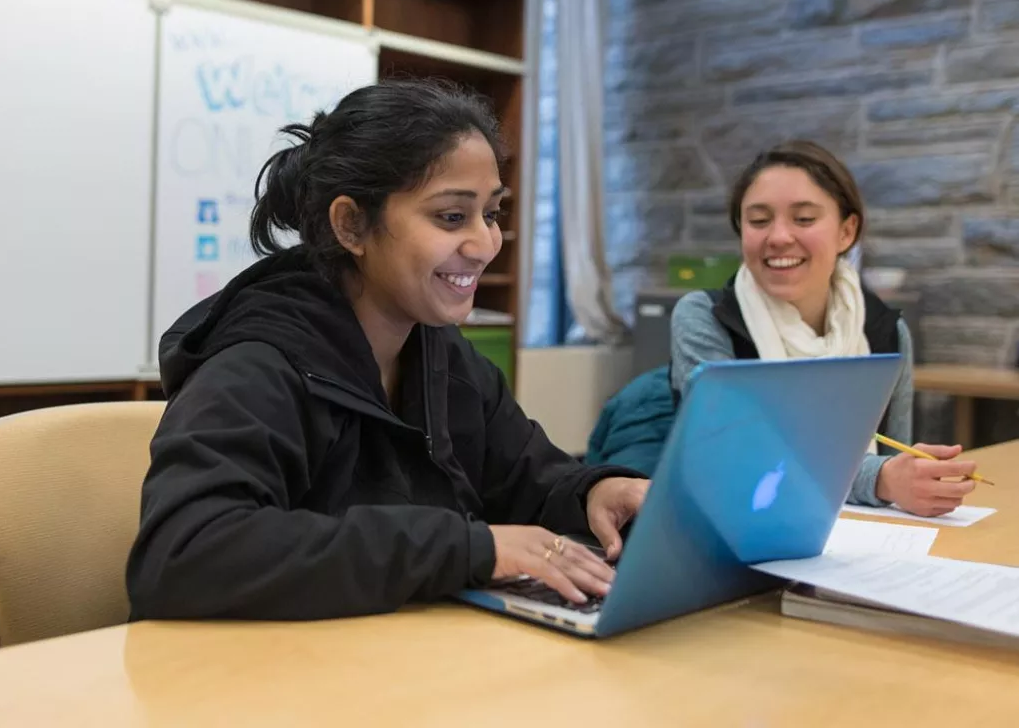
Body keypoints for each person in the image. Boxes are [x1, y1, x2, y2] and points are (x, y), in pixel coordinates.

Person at [126, 79, 648, 622]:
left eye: (491, 214)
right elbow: (183, 554)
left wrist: (593, 492)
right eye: (451, 217)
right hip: (259, 685)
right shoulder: (256, 365)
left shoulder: (441, 354)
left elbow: (527, 478)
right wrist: (468, 548)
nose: (484, 244)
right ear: (351, 224)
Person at [669, 139, 977, 518]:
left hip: (859, 538)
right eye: (759, 220)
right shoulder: (705, 317)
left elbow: (896, 463)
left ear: (847, 232)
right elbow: (732, 455)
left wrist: (917, 479)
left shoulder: (888, 333)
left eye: (804, 219)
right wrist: (877, 479)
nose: (779, 237)